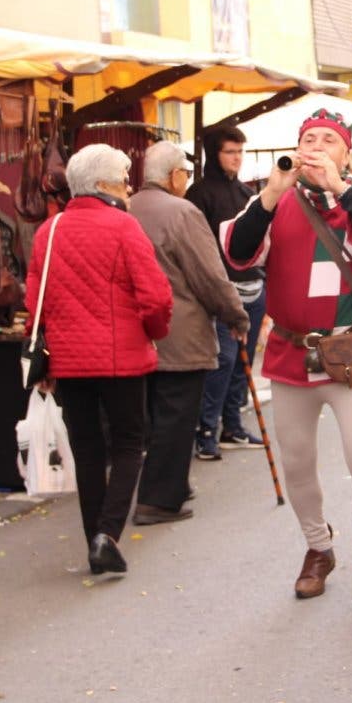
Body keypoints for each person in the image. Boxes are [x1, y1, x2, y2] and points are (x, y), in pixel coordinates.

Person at [222, 109, 352, 614]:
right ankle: (318, 548)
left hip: (350, 354)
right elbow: (238, 253)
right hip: (290, 354)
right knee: (299, 460)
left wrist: (341, 192)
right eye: (310, 139)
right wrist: (269, 193)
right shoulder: (274, 202)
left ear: (347, 154)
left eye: (330, 140)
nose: (318, 146)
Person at [26, 144, 173, 575]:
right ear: (106, 184)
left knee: (88, 451)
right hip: (121, 359)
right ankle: (106, 536)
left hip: (69, 362)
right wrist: (154, 333)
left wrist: (43, 360)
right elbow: (156, 297)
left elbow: (35, 302)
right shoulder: (124, 227)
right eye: (126, 179)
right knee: (129, 445)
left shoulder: (48, 232)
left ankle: (95, 539)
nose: (129, 187)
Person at [130, 141, 249, 523]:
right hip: (179, 331)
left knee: (154, 416)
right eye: (184, 171)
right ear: (174, 176)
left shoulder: (127, 208)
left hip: (137, 332)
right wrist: (235, 314)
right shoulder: (182, 212)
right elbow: (209, 275)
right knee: (177, 416)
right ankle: (158, 500)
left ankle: (172, 485)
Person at [185, 126, 267, 460]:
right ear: (214, 155)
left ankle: (232, 424)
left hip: (254, 285)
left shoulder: (249, 194)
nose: (237, 158)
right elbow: (196, 247)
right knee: (223, 360)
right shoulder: (199, 194)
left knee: (241, 364)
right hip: (220, 290)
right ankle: (207, 431)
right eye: (230, 152)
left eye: (240, 151)